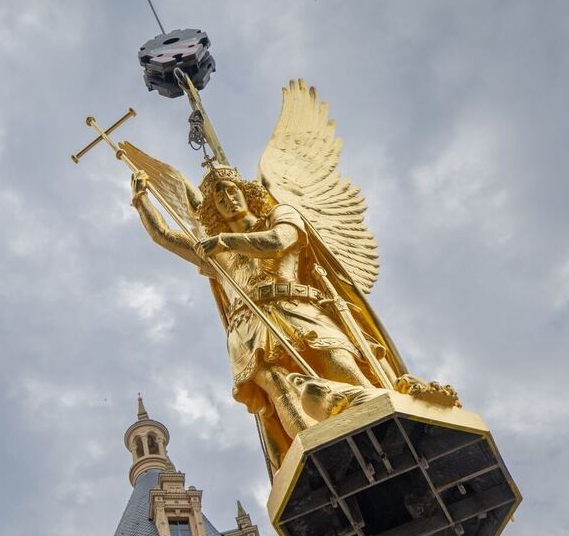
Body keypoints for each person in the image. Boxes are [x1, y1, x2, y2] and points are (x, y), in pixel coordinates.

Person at [131, 166, 382, 462]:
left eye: (230, 190)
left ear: (246, 192)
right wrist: (141, 200)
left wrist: (225, 240)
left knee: (337, 362)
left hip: (295, 306)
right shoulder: (217, 254)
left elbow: (278, 242)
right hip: (246, 324)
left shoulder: (278, 216)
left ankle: (381, 422)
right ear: (212, 209)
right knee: (280, 388)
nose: (227, 199)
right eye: (218, 198)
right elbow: (164, 236)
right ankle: (318, 457)